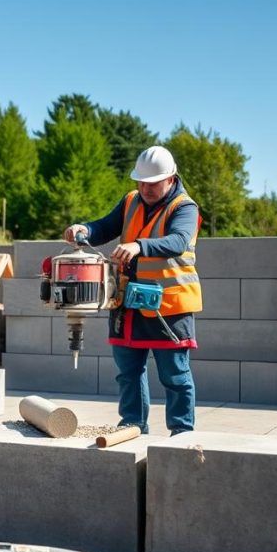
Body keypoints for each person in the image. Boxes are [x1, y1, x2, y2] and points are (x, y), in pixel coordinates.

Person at [64, 146, 201, 436]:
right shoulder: (130, 201)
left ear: (171, 178)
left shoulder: (185, 207)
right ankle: (133, 427)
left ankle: (182, 433)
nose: (145, 189)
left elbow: (177, 241)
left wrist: (140, 246)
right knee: (128, 372)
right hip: (128, 303)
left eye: (152, 183)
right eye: (141, 182)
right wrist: (85, 229)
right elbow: (105, 226)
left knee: (175, 376)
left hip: (169, 308)